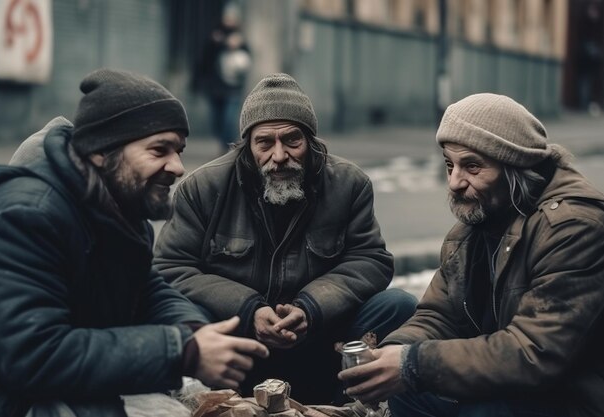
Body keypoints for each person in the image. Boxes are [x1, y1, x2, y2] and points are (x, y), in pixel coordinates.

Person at [0, 68, 268, 417]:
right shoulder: (26, 216)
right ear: (101, 152)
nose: (177, 167)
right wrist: (181, 351)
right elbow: (32, 355)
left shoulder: (121, 211)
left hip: (64, 390)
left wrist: (195, 331)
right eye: (159, 149)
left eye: (179, 150)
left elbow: (145, 290)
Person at [153, 73, 418, 404]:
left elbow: (371, 260)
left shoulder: (349, 184)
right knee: (181, 312)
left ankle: (344, 406)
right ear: (247, 147)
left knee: (399, 305)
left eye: (292, 140)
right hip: (238, 347)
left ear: (310, 141)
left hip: (321, 340)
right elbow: (168, 267)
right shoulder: (203, 188)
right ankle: (218, 405)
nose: (279, 155)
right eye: (265, 142)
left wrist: (310, 308)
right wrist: (249, 309)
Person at [338, 93, 604, 417]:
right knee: (406, 392)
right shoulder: (476, 225)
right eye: (450, 165)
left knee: (480, 408)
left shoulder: (573, 227)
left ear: (515, 166)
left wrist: (413, 364)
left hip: (573, 395)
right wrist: (394, 355)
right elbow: (440, 314)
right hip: (513, 381)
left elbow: (534, 352)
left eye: (472, 166)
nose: (454, 182)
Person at [194, 5, 251, 154]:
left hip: (232, 88)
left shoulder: (241, 38)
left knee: (228, 119)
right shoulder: (214, 36)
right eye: (228, 17)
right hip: (215, 87)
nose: (230, 21)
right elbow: (205, 60)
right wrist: (217, 43)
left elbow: (246, 60)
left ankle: (227, 147)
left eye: (233, 18)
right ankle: (223, 142)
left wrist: (239, 44)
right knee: (216, 121)